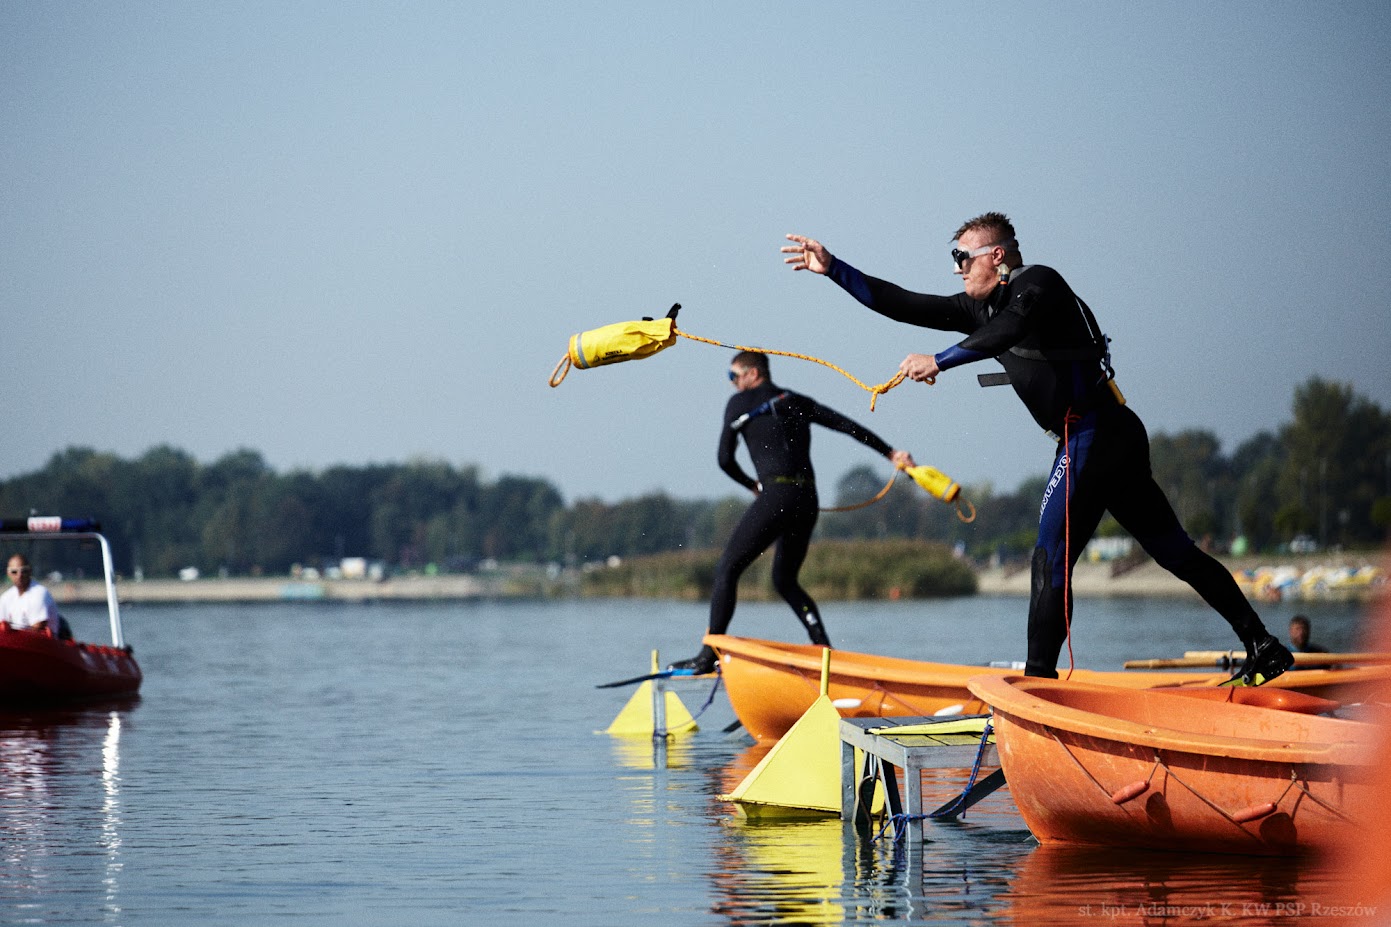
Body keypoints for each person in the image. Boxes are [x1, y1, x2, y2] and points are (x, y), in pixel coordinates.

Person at [781, 213, 1294, 685]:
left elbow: (1010, 329)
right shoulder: (978, 307)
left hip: (1096, 434)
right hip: (1099, 439)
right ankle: (1264, 646)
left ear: (997, 255)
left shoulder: (1039, 284)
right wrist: (834, 269)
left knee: (1050, 557)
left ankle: (1038, 686)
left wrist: (940, 359)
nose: (957, 269)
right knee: (1173, 552)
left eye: (963, 257)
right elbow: (902, 303)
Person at [668, 351, 916, 674]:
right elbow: (846, 426)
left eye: (733, 376)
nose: (731, 384)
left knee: (727, 568)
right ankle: (823, 647)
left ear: (753, 374)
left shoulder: (738, 404)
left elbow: (724, 460)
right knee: (784, 579)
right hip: (807, 498)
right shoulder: (797, 400)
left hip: (777, 495)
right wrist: (891, 452)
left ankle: (707, 655)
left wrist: (752, 485)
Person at [0, 553, 69, 639]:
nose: (19, 575)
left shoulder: (40, 594)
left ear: (30, 571)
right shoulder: (5, 597)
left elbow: (38, 628)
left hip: (43, 643)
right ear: (8, 573)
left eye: (24, 571)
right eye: (14, 572)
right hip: (15, 641)